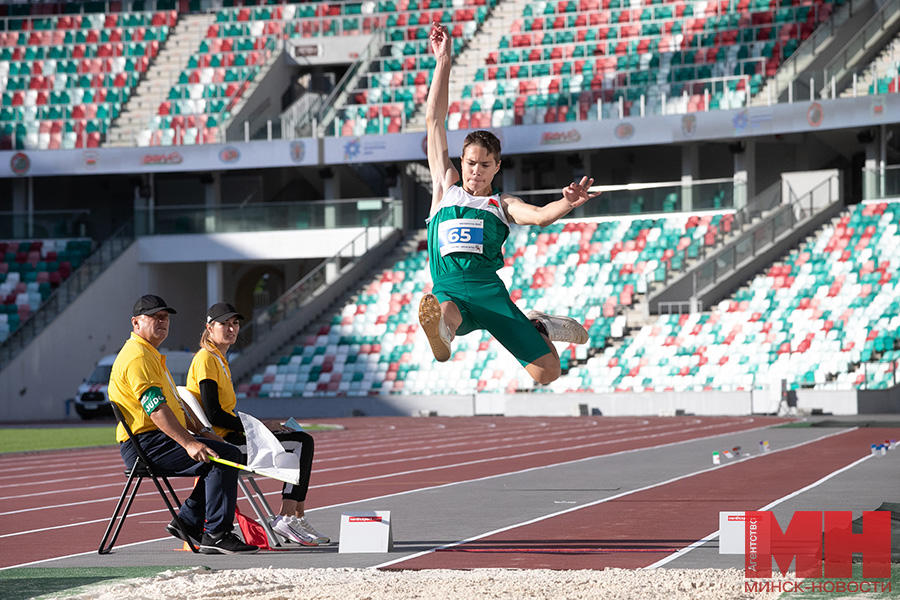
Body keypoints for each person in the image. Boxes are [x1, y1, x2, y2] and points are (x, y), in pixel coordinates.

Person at [419, 23, 599, 385]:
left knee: (548, 373)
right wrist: (443, 60)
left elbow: (540, 217)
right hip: (449, 288)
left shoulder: (501, 204)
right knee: (445, 311)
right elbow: (434, 119)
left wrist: (567, 203)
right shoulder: (446, 188)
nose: (475, 171)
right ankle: (441, 331)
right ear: (462, 161)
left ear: (496, 166)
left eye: (485, 165)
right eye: (470, 163)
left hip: (490, 294)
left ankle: (537, 325)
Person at [108, 294, 259, 555]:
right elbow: (156, 409)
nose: (162, 321)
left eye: (165, 317)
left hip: (155, 439)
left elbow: (178, 401)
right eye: (154, 317)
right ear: (136, 323)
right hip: (146, 444)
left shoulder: (150, 354)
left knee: (220, 452)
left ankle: (189, 521)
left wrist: (202, 432)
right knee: (224, 457)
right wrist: (189, 443)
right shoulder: (138, 357)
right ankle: (216, 533)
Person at [186, 302, 328, 546]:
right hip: (224, 444)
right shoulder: (206, 359)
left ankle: (296, 515)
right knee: (302, 442)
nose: (231, 329)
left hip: (231, 437)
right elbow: (214, 415)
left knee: (299, 440)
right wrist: (258, 427)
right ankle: (287, 516)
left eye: (235, 323)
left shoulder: (218, 359)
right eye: (224, 324)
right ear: (210, 328)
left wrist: (260, 427)